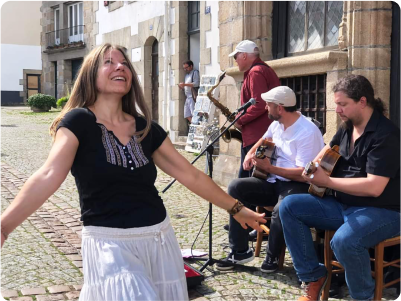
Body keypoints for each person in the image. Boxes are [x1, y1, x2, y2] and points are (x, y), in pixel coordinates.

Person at [0, 44, 266, 301]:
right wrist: (3, 227)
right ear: (91, 74)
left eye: (125, 63)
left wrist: (236, 208)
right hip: (109, 242)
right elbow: (47, 176)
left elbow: (191, 175)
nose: (121, 67)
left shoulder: (145, 128)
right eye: (109, 62)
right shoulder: (77, 122)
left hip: (158, 239)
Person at [279, 74, 401, 301]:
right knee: (289, 206)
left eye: (343, 104)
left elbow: (375, 187)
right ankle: (313, 276)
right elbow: (324, 154)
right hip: (343, 205)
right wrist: (312, 167)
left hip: (384, 211)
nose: (338, 110)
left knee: (345, 241)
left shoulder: (386, 135)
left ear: (362, 102)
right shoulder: (346, 129)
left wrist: (328, 182)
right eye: (336, 104)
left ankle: (362, 297)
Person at [216, 86, 324, 271]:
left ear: (279, 108)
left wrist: (269, 167)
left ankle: (272, 257)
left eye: (268, 105)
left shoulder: (307, 131)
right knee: (236, 187)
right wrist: (250, 154)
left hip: (298, 185)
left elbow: (304, 174)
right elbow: (263, 139)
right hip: (273, 181)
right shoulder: (277, 124)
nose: (266, 107)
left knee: (281, 208)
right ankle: (240, 251)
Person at [229, 40, 280, 179]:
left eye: (236, 57)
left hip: (256, 135)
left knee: (248, 183)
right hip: (259, 134)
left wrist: (240, 120)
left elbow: (259, 104)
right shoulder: (261, 70)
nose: (235, 61)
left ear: (244, 56)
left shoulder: (256, 72)